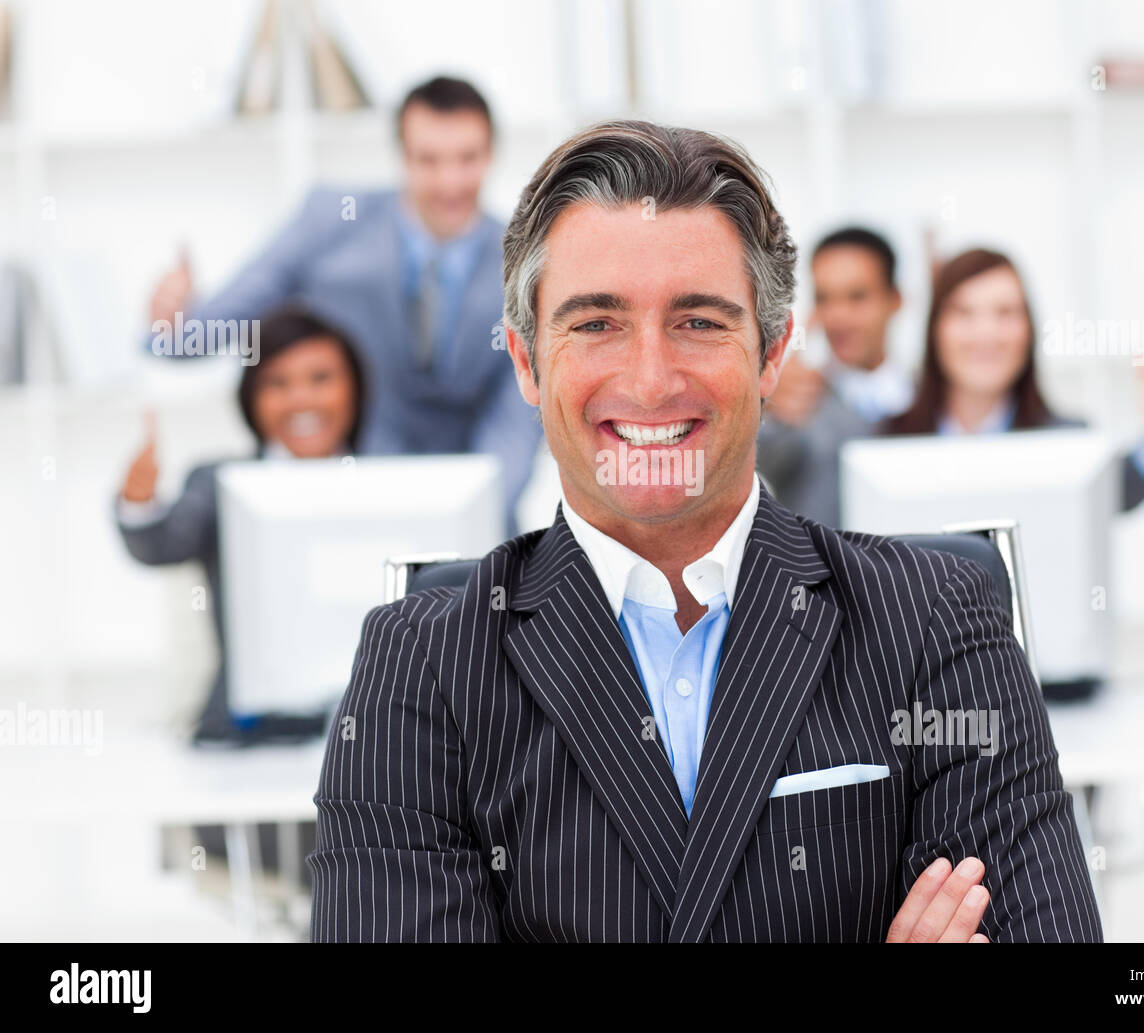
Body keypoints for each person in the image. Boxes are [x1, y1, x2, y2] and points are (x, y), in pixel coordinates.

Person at [307, 121, 1103, 942]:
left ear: (770, 355)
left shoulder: (935, 618)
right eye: (595, 323)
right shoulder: (422, 663)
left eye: (699, 322)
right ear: (526, 361)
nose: (651, 379)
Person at [147, 76, 541, 534]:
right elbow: (200, 334)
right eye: (428, 160)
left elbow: (517, 419)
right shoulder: (331, 221)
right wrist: (171, 323)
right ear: (402, 156)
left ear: (491, 155)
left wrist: (463, 519)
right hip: (334, 507)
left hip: (472, 524)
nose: (449, 181)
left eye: (467, 159)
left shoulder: (524, 262)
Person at [117, 306, 365, 744]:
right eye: (278, 383)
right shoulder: (221, 484)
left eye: (321, 379)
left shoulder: (393, 480)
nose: (302, 399)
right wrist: (140, 499)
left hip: (373, 739)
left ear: (356, 389)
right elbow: (159, 545)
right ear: (251, 397)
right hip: (243, 737)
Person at [882, 247, 1144, 511]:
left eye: (1005, 313)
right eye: (964, 312)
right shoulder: (885, 442)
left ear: (1029, 331)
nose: (986, 333)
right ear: (935, 330)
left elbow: (1108, 496)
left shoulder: (1066, 441)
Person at [757, 226, 911, 524]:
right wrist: (766, 408)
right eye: (825, 298)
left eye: (857, 297)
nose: (838, 316)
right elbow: (756, 467)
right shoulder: (798, 403)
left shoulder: (927, 398)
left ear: (895, 300)